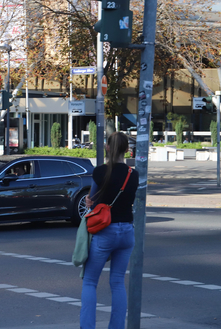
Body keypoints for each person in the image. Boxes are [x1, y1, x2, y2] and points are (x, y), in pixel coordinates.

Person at [80, 132, 139, 329]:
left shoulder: (99, 172)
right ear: (126, 150)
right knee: (117, 282)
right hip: (127, 232)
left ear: (107, 147)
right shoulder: (133, 174)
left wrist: (90, 202)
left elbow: (92, 201)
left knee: (90, 282)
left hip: (105, 231)